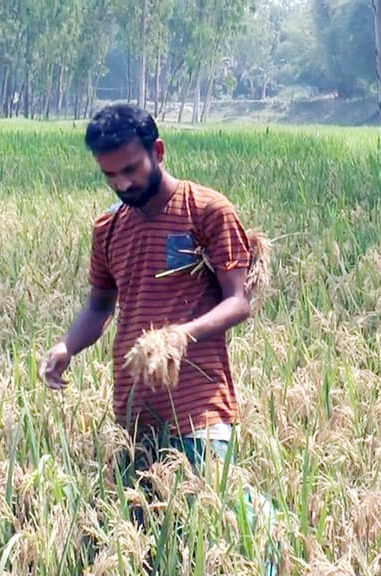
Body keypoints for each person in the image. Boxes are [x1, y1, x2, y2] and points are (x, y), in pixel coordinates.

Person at [39, 103, 278, 573]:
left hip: (199, 408)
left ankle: (278, 552)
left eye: (131, 169)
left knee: (227, 526)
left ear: (158, 151)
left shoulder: (206, 211)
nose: (123, 184)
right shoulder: (109, 229)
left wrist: (180, 336)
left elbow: (239, 301)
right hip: (135, 412)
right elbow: (99, 306)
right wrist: (67, 346)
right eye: (110, 175)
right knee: (153, 545)